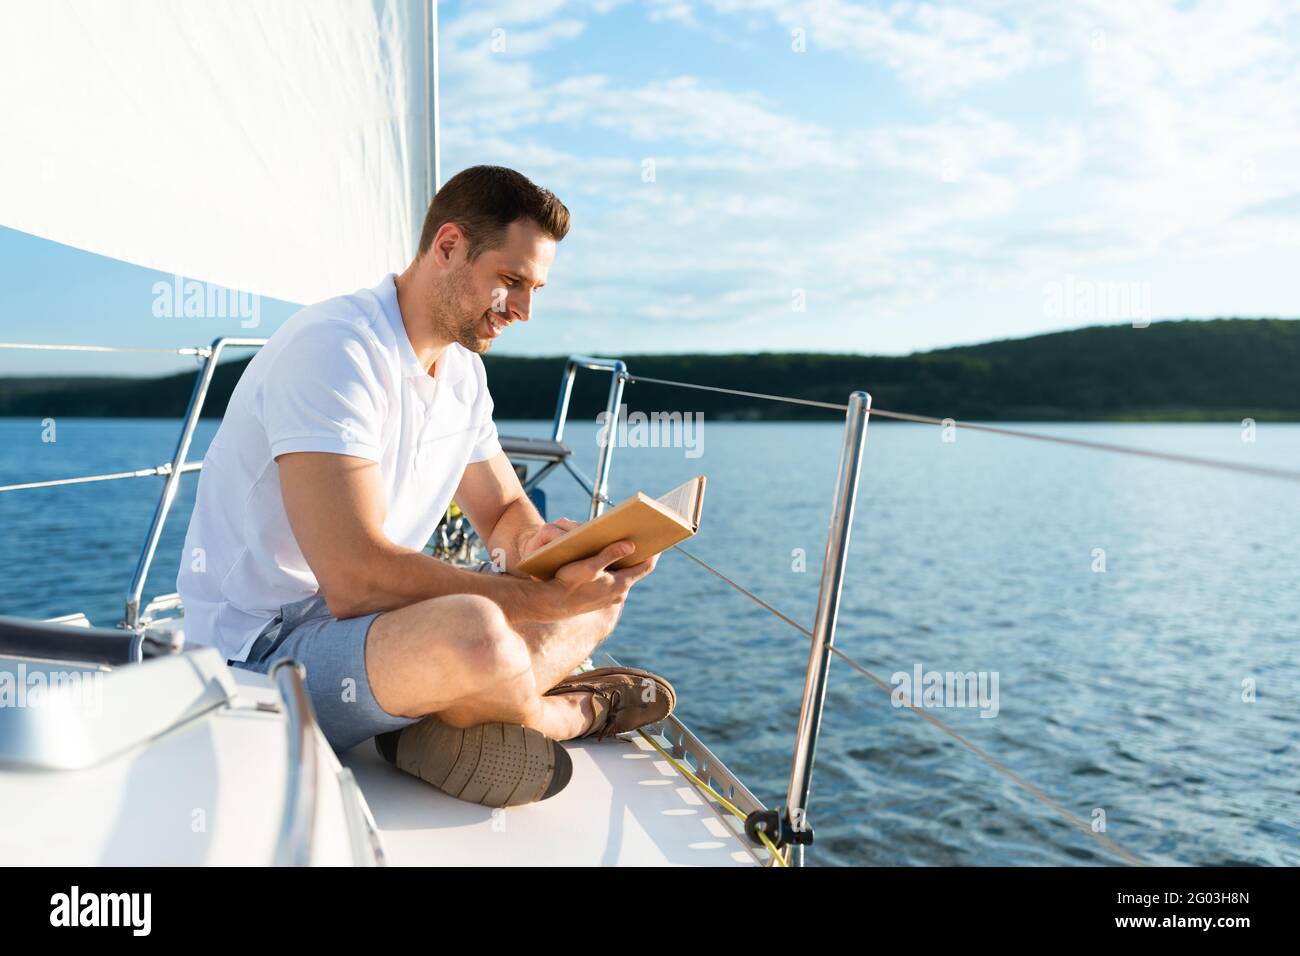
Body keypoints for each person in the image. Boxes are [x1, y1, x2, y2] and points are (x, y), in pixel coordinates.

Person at [177, 165, 673, 807]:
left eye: (535, 288)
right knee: (478, 630)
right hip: (258, 656)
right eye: (510, 281)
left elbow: (500, 517)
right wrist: (540, 604)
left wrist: (547, 552)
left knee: (598, 595)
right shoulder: (337, 349)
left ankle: (436, 717)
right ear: (447, 247)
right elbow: (354, 577)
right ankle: (565, 714)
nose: (523, 310)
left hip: (374, 632)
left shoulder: (462, 372)